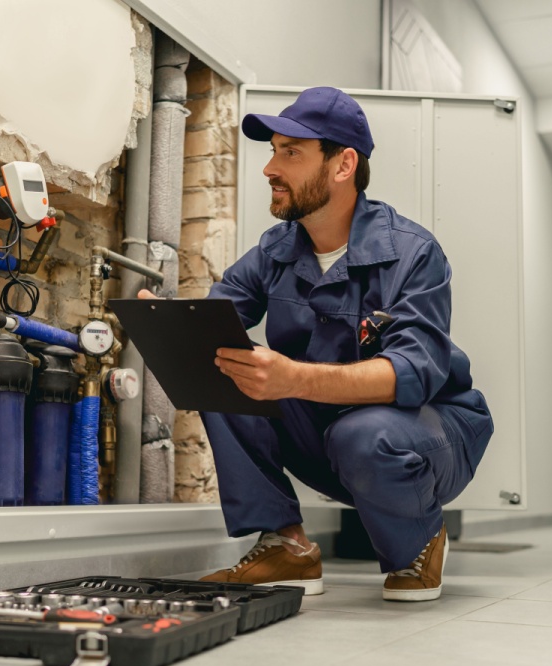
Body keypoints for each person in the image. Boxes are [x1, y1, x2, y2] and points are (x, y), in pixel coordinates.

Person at [142, 87, 492, 601]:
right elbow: (219, 324)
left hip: (429, 434)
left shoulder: (413, 253)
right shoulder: (275, 251)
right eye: (273, 151)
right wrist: (172, 325)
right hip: (330, 432)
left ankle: (419, 544)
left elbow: (411, 371)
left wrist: (295, 378)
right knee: (224, 366)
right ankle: (286, 546)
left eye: (291, 153)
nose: (270, 169)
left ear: (343, 165)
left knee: (363, 433)